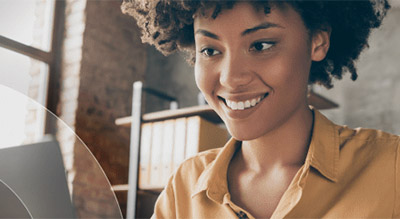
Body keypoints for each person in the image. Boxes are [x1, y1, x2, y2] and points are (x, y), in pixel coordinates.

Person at [122, 1, 399, 218]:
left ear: (317, 41)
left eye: (261, 45)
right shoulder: (183, 188)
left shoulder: (390, 168)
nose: (230, 78)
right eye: (209, 50)